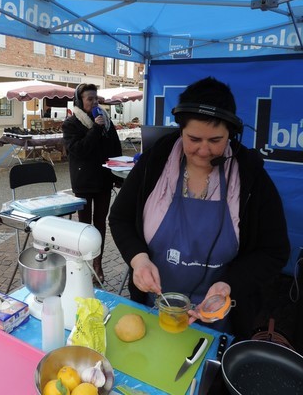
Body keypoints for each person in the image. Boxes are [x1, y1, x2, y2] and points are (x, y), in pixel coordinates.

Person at [109, 77, 290, 340]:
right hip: (153, 312)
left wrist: (231, 284)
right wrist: (139, 259)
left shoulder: (251, 177)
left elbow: (275, 250)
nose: (204, 151)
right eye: (193, 139)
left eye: (216, 140)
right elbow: (120, 218)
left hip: (219, 320)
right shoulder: (154, 162)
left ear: (232, 134)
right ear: (180, 130)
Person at [62, 83, 122, 283]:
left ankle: (98, 264)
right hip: (84, 181)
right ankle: (84, 265)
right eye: (90, 99)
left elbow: (115, 148)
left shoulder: (105, 121)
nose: (95, 102)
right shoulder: (71, 124)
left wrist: (117, 174)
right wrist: (95, 129)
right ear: (80, 101)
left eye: (96, 98)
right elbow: (79, 150)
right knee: (86, 226)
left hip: (103, 180)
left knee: (100, 224)